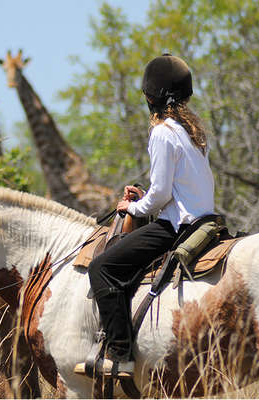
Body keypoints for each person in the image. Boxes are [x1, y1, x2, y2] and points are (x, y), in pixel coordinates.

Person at [84, 54, 214, 378]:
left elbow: (161, 195)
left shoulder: (162, 132)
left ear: (152, 96)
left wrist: (133, 207)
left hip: (176, 229)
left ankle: (120, 354)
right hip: (205, 220)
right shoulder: (193, 131)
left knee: (102, 267)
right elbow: (175, 191)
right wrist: (147, 200)